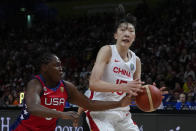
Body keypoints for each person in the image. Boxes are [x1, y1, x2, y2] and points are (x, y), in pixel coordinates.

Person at [85, 5, 167, 131]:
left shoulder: (137, 61)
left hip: (123, 116)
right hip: (101, 114)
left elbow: (133, 94)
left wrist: (151, 94)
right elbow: (93, 84)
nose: (127, 33)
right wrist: (123, 87)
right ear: (115, 35)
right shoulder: (107, 50)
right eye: (122, 30)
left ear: (134, 37)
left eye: (131, 31)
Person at [10, 53, 141, 131]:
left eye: (61, 65)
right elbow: (33, 108)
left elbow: (89, 104)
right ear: (44, 68)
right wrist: (62, 114)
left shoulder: (67, 87)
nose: (61, 68)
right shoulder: (35, 83)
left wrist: (119, 103)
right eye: (56, 65)